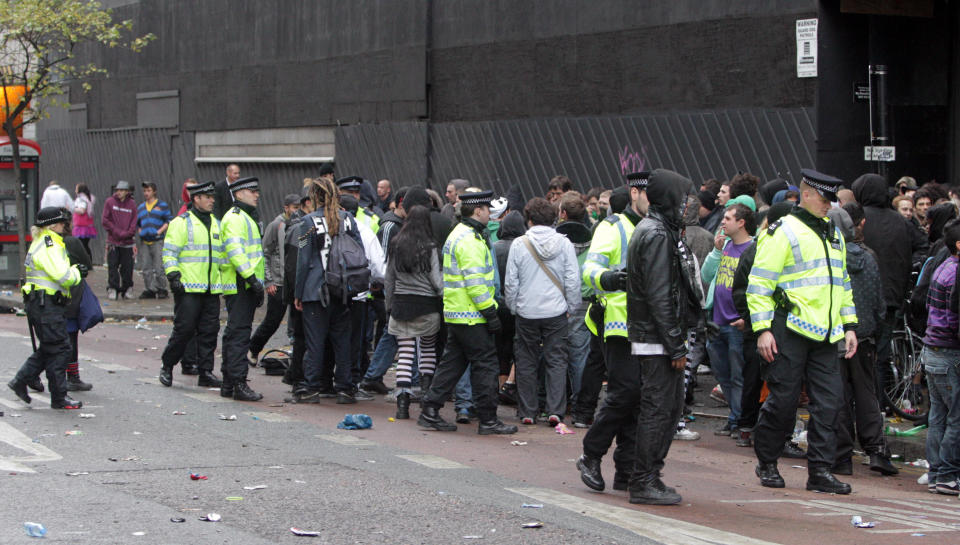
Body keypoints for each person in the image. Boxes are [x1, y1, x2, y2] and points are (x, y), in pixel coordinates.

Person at [748, 169, 858, 494]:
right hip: (789, 328)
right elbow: (759, 284)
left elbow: (843, 285)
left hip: (825, 334)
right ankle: (767, 460)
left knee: (829, 404)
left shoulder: (834, 235)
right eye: (824, 199)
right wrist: (763, 330)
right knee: (782, 401)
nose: (829, 205)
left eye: (832, 200)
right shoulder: (783, 231)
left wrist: (849, 325)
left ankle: (820, 471)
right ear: (807, 195)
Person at [624, 168, 700, 505]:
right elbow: (659, 294)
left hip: (658, 336)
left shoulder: (659, 230)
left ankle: (647, 476)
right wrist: (675, 344)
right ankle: (644, 480)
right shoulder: (657, 234)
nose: (688, 205)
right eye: (683, 198)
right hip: (657, 339)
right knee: (660, 409)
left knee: (666, 408)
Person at [417, 189, 517, 435]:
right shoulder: (470, 240)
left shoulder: (459, 233)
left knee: (453, 363)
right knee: (486, 365)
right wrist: (490, 313)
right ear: (478, 210)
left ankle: (430, 408)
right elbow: (475, 283)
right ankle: (488, 419)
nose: (489, 214)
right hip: (473, 314)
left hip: (457, 312)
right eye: (486, 209)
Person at [576, 171, 648, 493]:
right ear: (635, 193)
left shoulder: (653, 228)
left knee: (639, 398)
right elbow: (589, 269)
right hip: (616, 324)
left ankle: (626, 470)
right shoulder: (613, 226)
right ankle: (591, 454)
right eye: (649, 195)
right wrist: (609, 279)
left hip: (646, 328)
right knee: (626, 393)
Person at [827, 204, 898, 476]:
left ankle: (842, 455)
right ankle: (877, 451)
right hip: (865, 335)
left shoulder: (828, 259)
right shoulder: (868, 258)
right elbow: (879, 301)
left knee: (840, 397)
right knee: (866, 394)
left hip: (833, 336)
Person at [505, 197, 581, 426]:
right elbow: (572, 280)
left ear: (529, 219)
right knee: (556, 360)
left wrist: (514, 306)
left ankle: (528, 410)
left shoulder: (519, 244)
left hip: (527, 311)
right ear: (553, 218)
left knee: (526, 360)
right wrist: (571, 306)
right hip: (556, 311)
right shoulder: (565, 244)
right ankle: (555, 410)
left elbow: (511, 282)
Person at [294, 178, 365, 404]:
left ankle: (312, 387)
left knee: (315, 341)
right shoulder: (348, 220)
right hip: (343, 290)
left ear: (315, 196)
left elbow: (303, 259)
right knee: (342, 341)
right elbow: (359, 251)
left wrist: (298, 292)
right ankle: (345, 388)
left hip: (315, 291)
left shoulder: (307, 223)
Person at [7, 207, 84, 410]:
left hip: (40, 303)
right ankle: (58, 397)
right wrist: (77, 272)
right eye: (61, 222)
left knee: (51, 347)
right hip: (47, 304)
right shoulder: (50, 244)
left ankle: (21, 380)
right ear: (53, 225)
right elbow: (63, 276)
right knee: (61, 348)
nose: (64, 225)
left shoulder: (42, 241)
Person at [158, 181, 224, 389]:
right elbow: (169, 252)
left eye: (213, 197)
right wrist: (173, 276)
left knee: (209, 332)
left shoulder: (215, 223)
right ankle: (167, 366)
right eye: (208, 197)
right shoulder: (181, 222)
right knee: (184, 330)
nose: (212, 200)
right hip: (188, 288)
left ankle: (205, 372)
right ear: (196, 199)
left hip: (211, 288)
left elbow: (220, 256)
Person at [701, 203, 756, 437]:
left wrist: (748, 318)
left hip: (737, 323)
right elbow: (706, 275)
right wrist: (715, 251)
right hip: (717, 321)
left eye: (728, 218)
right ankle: (734, 418)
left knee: (738, 375)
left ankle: (739, 421)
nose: (723, 222)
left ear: (741, 222)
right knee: (723, 375)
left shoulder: (753, 248)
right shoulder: (725, 247)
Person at [384, 205, 443, 419]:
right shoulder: (430, 247)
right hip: (427, 306)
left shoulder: (396, 244)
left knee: (405, 355)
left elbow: (389, 278)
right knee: (427, 351)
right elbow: (437, 281)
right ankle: (427, 401)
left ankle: (402, 406)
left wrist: (389, 306)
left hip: (401, 306)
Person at [219, 176, 266, 402]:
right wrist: (253, 281)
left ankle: (229, 382)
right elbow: (237, 253)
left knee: (234, 333)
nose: (257, 194)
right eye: (251, 191)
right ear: (238, 194)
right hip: (241, 282)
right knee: (239, 335)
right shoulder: (236, 218)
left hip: (243, 282)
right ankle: (238, 382)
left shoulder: (244, 217)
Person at [923, 219, 960, 495]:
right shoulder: (956, 273)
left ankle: (936, 472)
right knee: (955, 416)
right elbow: (954, 318)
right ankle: (947, 474)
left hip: (932, 349)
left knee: (938, 415)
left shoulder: (943, 267)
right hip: (948, 352)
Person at [248, 194, 301, 363]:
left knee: (298, 322)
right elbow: (265, 253)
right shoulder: (276, 225)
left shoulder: (301, 225)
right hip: (278, 282)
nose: (297, 212)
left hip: (294, 281)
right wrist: (268, 281)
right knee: (273, 320)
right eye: (294, 208)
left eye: (299, 208)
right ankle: (253, 349)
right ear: (286, 208)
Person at [555, 193, 594, 413]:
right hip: (585, 301)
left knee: (555, 355)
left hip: (558, 301)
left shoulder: (557, 239)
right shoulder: (593, 239)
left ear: (563, 214)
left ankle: (555, 404)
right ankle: (581, 403)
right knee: (580, 355)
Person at [61, 210, 96, 392]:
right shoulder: (71, 242)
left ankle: (32, 375)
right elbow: (87, 263)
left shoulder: (42, 243)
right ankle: (72, 376)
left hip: (47, 298)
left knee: (51, 339)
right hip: (70, 294)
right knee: (70, 337)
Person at [101, 180, 138, 300]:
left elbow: (134, 222)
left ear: (127, 192)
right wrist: (118, 232)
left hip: (127, 243)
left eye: (121, 190)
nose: (119, 193)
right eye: (117, 190)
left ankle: (127, 288)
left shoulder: (132, 204)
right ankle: (113, 288)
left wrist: (128, 233)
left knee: (127, 267)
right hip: (113, 241)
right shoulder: (110, 202)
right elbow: (105, 221)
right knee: (113, 266)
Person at [136, 181, 173, 299]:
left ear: (154, 192)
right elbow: (137, 223)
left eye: (149, 191)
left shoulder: (162, 205)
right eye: (145, 191)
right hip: (145, 240)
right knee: (146, 267)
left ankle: (161, 288)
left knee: (159, 266)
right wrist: (140, 231)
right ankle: (150, 289)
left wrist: (159, 231)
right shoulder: (141, 207)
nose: (146, 193)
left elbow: (168, 220)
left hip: (157, 240)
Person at [72, 184, 96, 258]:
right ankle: (88, 261)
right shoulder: (88, 198)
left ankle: (85, 261)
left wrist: (72, 208)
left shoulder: (81, 199)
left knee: (82, 246)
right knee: (85, 245)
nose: (75, 190)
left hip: (81, 226)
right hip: (87, 226)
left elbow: (82, 210)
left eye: (76, 188)